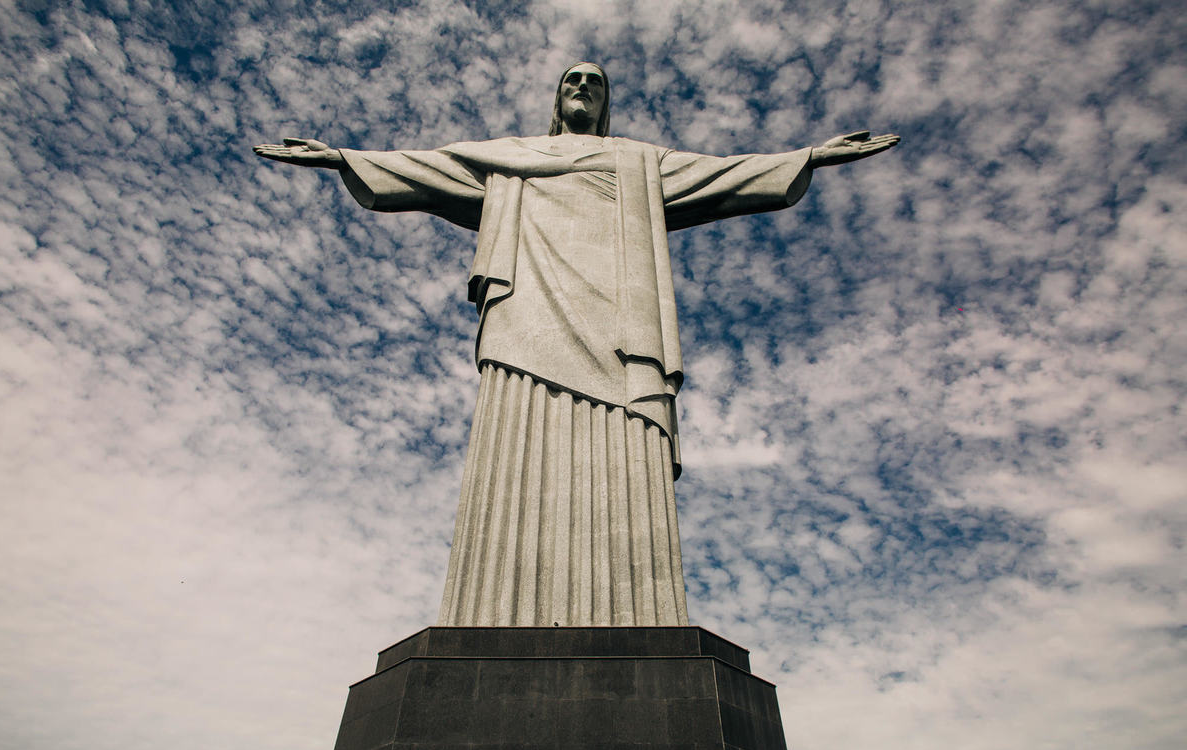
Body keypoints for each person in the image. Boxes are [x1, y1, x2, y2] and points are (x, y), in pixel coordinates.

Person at [254, 62, 898, 627]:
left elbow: (723, 175)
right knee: (517, 439)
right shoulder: (512, 155)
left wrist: (809, 156)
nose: (583, 87)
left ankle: (637, 610)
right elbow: (431, 167)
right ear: (557, 98)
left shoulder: (638, 160)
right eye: (573, 80)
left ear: (606, 101)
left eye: (595, 82)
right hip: (527, 314)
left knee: (624, 449)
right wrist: (344, 157)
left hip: (620, 325)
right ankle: (492, 609)